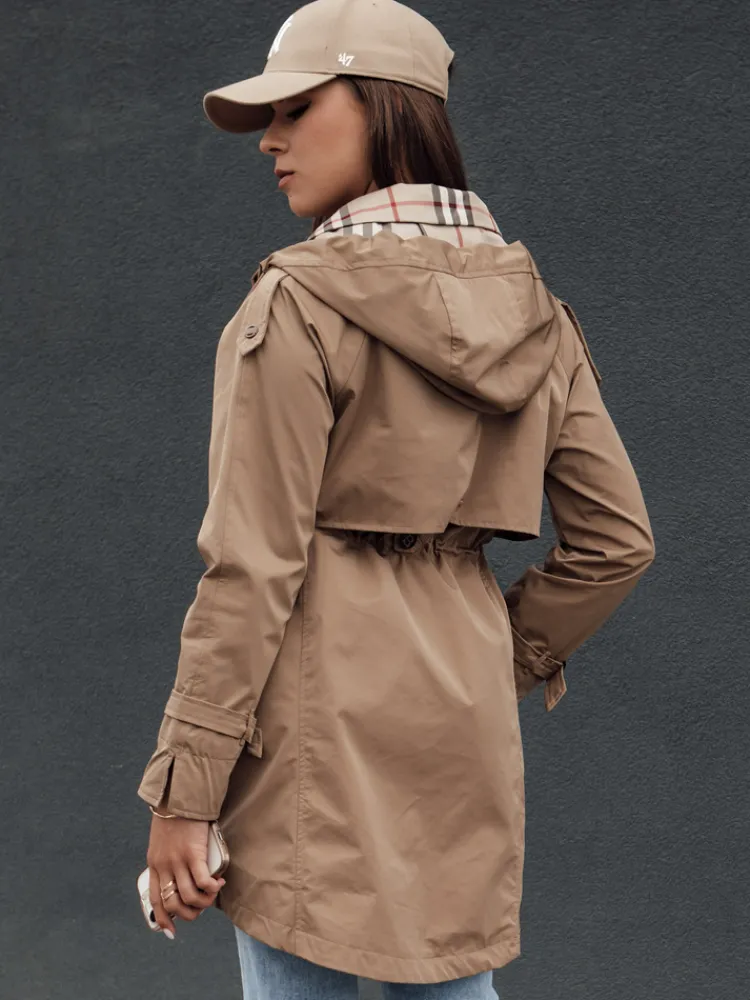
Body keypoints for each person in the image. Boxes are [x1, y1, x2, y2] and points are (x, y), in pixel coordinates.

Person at [136, 1, 656, 997]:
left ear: (384, 107)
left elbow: (251, 570)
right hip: (463, 728)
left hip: (307, 737)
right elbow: (617, 542)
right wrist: (494, 659)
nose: (272, 141)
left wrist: (181, 793)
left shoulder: (296, 303)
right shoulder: (537, 316)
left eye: (296, 109)